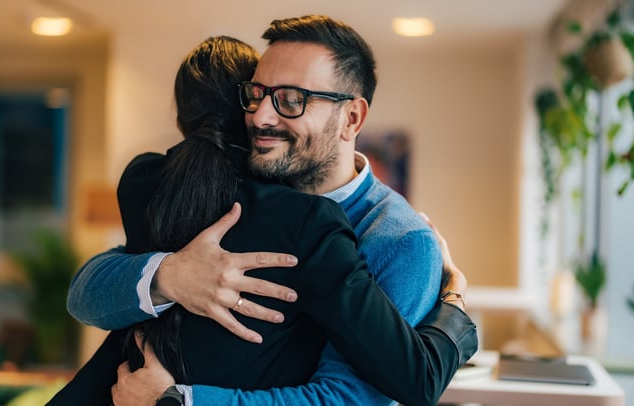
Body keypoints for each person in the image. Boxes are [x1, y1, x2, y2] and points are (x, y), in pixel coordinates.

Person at [59, 16, 476, 405]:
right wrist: (170, 276)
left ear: (351, 118)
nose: (260, 116)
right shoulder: (232, 191)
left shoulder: (399, 240)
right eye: (256, 95)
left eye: (292, 100)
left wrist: (179, 399)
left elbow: (349, 398)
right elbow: (86, 296)